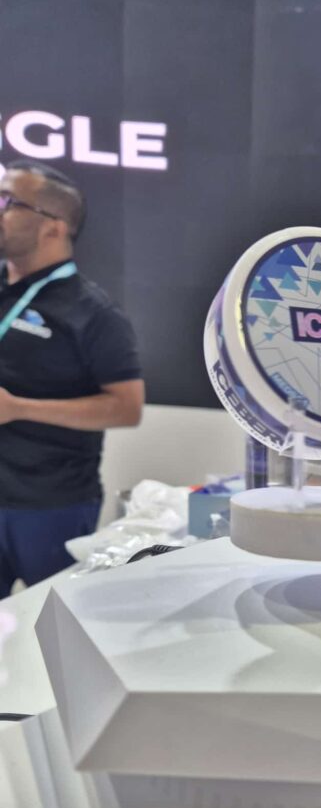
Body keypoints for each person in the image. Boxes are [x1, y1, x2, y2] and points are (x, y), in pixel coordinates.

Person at [0, 160, 144, 597]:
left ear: (53, 226)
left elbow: (126, 408)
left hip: (51, 505)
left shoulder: (94, 313)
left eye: (9, 201)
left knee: (54, 625)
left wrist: (18, 409)